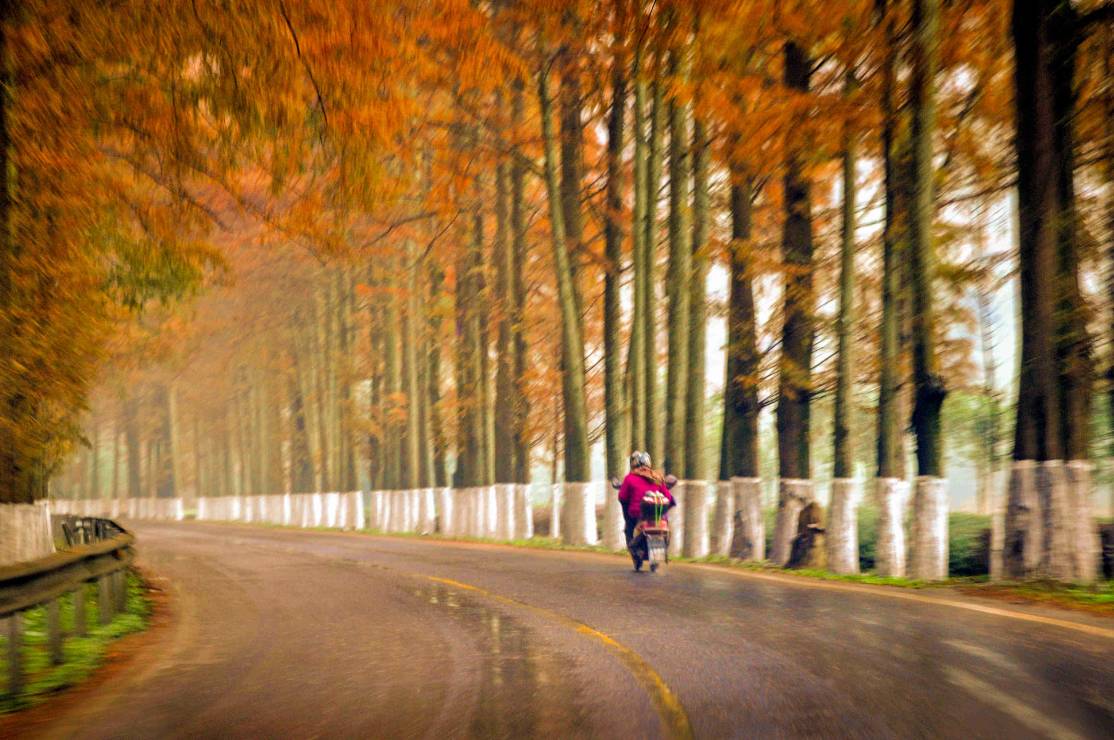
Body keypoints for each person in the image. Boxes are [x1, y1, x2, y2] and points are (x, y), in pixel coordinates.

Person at [617, 451, 675, 566]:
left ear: (633, 464)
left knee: (629, 528)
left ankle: (635, 550)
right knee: (666, 526)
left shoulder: (629, 478)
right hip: (658, 515)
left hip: (637, 514)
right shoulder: (656, 477)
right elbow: (668, 497)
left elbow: (622, 497)